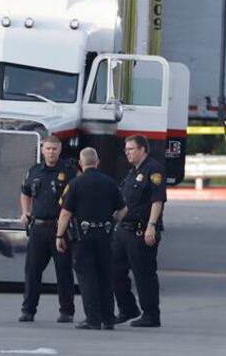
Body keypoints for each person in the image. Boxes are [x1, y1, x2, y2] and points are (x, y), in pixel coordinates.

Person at [56, 147, 127, 330]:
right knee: (105, 275)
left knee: (87, 277)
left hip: (83, 237)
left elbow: (65, 214)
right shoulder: (110, 183)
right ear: (98, 162)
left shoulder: (76, 184)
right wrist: (112, 221)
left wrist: (59, 236)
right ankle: (108, 318)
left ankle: (93, 318)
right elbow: (123, 209)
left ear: (80, 163)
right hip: (105, 235)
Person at [18, 135, 77, 323]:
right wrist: (25, 212)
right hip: (38, 228)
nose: (51, 152)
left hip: (61, 229)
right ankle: (28, 310)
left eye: (54, 149)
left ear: (60, 150)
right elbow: (25, 193)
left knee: (64, 271)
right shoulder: (34, 171)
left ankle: (66, 311)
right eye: (48, 149)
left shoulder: (69, 171)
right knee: (32, 271)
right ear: (42, 150)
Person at [111, 134, 166, 328]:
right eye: (126, 150)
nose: (127, 152)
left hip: (141, 230)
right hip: (123, 230)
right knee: (114, 270)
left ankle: (151, 314)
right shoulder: (132, 172)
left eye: (131, 149)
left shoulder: (153, 169)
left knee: (144, 274)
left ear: (142, 149)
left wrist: (151, 225)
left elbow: (157, 200)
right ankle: (127, 309)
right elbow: (126, 203)